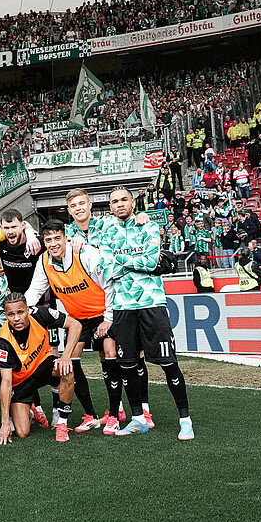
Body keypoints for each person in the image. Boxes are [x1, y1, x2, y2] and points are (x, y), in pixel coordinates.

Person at [97, 187, 193, 440]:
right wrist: (135, 261)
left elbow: (152, 262)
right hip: (123, 307)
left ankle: (185, 420)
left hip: (152, 303)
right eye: (114, 201)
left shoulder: (148, 227)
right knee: (127, 364)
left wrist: (120, 261)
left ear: (132, 202)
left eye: (123, 200)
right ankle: (138, 418)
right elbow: (105, 271)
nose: (119, 204)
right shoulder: (106, 232)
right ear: (110, 206)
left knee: (168, 363)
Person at [25, 219, 118, 433]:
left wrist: (109, 317)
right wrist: (20, 309)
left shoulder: (84, 254)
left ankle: (114, 414)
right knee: (71, 363)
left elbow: (109, 283)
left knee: (109, 354)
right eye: (48, 240)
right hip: (77, 319)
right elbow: (35, 291)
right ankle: (91, 416)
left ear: (66, 238)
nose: (53, 243)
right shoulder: (44, 261)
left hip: (101, 314)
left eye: (57, 238)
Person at [0, 294, 81, 443]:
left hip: (45, 366)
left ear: (28, 310)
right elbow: (6, 383)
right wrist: (4, 423)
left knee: (66, 368)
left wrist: (66, 356)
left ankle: (62, 422)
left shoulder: (41, 313)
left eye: (20, 312)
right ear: (5, 315)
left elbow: (76, 325)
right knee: (22, 432)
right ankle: (32, 412)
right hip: (22, 382)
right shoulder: (4, 341)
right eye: (11, 314)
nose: (16, 318)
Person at [0, 208, 43, 294]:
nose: (10, 231)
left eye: (14, 227)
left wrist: (30, 234)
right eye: (6, 228)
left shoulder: (37, 242)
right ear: (1, 228)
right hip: (14, 298)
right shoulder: (0, 244)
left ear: (23, 225)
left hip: (39, 298)